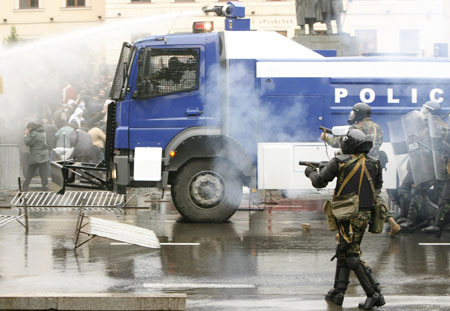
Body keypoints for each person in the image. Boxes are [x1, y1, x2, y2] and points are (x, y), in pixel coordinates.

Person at [305, 129, 385, 309]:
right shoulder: (375, 163)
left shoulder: (338, 162)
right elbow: (377, 188)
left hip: (347, 214)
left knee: (351, 255)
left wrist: (310, 172)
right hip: (364, 214)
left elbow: (319, 181)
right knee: (344, 249)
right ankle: (338, 292)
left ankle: (374, 294)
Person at [322, 102, 401, 237]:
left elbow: (340, 142)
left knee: (351, 195)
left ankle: (346, 230)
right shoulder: (378, 128)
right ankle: (392, 221)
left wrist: (327, 138)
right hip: (374, 164)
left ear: (358, 114)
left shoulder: (356, 128)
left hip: (359, 165)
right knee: (374, 195)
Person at [22, 122, 50, 191]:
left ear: (31, 127)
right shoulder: (43, 132)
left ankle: (25, 186)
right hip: (44, 155)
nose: (28, 129)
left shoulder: (34, 133)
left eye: (28, 128)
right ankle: (45, 186)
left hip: (36, 156)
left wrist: (26, 135)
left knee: (30, 172)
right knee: (43, 172)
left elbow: (28, 142)